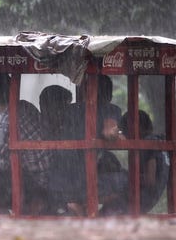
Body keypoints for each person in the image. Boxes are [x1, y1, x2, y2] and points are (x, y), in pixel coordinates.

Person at [0, 73, 51, 214]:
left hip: (36, 179)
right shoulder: (23, 106)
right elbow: (2, 133)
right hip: (48, 171)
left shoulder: (9, 119)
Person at [48, 74, 124, 216]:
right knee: (128, 179)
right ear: (109, 93)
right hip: (83, 177)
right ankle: (92, 208)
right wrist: (120, 135)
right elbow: (109, 133)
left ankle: (78, 206)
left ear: (84, 91)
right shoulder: (109, 109)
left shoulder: (70, 110)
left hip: (59, 176)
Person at [118, 109, 170, 213]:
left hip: (141, 199)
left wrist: (125, 177)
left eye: (125, 130)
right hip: (150, 199)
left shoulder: (148, 143)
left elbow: (150, 180)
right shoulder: (159, 142)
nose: (125, 135)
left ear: (135, 128)